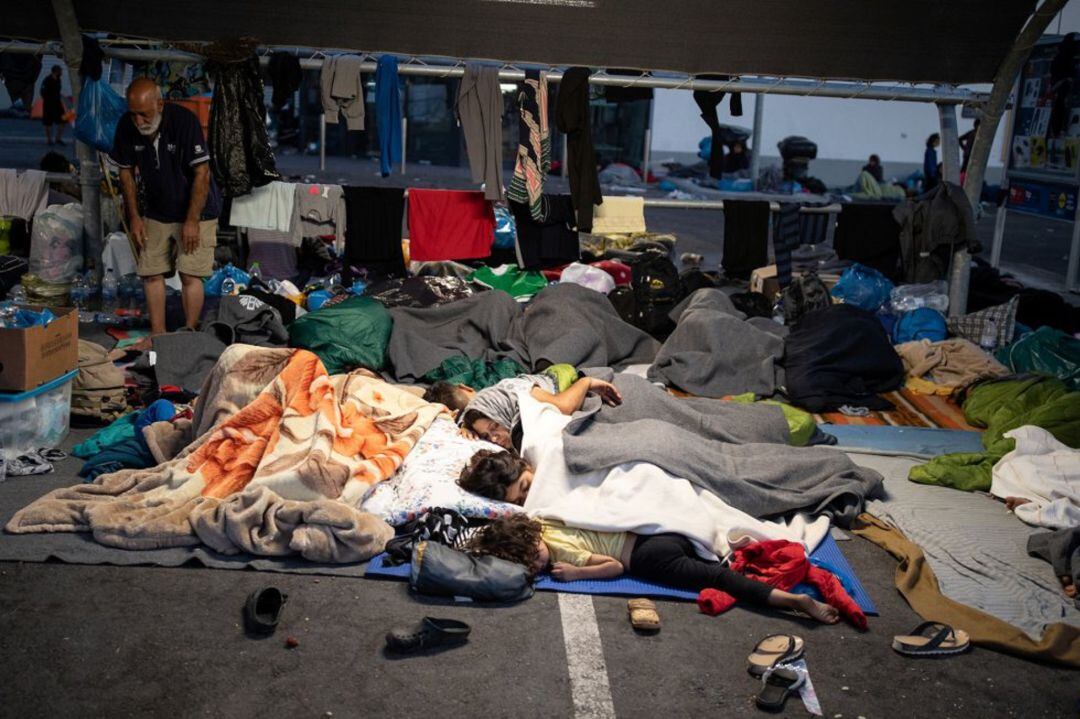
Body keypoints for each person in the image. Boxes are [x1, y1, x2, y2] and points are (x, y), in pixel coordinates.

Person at [467, 514, 840, 624]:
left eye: (533, 556)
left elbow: (613, 567)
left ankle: (792, 602)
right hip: (658, 531)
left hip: (648, 558)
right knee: (716, 566)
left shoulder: (561, 550)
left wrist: (576, 573)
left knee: (723, 580)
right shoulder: (544, 521)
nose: (539, 564)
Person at [109, 78, 222, 335]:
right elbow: (125, 173)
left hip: (197, 210)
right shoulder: (127, 126)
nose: (139, 121)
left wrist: (192, 220)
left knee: (190, 275)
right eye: (134, 114)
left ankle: (188, 333)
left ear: (159, 104)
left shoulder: (185, 122)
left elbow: (202, 173)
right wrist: (134, 217)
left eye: (144, 114)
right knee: (151, 272)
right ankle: (158, 335)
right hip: (157, 209)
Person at [455, 374, 622, 451]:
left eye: (494, 427)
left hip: (557, 381)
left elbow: (564, 407)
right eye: (486, 436)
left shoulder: (518, 394)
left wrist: (586, 382)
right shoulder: (486, 408)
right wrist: (465, 424)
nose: (494, 438)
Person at [40, 66, 65, 146]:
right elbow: (42, 91)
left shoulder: (58, 80)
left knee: (63, 121)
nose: (61, 73)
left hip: (57, 104)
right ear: (56, 71)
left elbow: (58, 91)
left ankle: (58, 139)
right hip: (48, 104)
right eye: (60, 71)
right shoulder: (47, 80)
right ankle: (49, 140)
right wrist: (48, 99)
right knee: (48, 122)